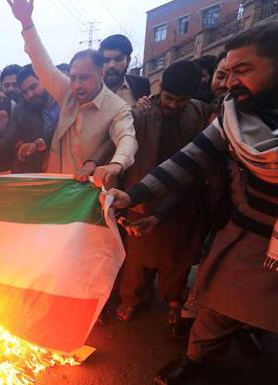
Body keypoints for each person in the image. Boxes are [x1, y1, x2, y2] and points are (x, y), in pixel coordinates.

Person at [106, 20, 278, 385]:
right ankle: (194, 358)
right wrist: (134, 195)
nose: (230, 82)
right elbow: (188, 160)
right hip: (250, 233)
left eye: (243, 70)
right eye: (228, 72)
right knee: (217, 303)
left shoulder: (204, 112)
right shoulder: (232, 115)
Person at [115, 61, 212, 329]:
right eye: (169, 98)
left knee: (175, 258)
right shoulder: (141, 111)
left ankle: (173, 300)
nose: (173, 105)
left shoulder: (201, 113)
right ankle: (132, 298)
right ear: (160, 88)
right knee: (136, 258)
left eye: (181, 101)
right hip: (141, 193)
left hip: (183, 196)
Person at [7, 0, 137, 187]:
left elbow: (127, 137)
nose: (77, 85)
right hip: (57, 184)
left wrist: (117, 163)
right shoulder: (67, 91)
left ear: (101, 73)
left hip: (89, 190)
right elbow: (43, 66)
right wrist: (27, 24)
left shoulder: (117, 107)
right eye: (73, 77)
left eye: (84, 78)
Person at [0, 64, 57, 172]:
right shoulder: (21, 109)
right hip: (34, 174)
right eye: (25, 92)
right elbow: (10, 136)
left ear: (44, 80)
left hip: (65, 170)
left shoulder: (63, 103)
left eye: (33, 87)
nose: (30, 95)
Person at [99, 34, 150, 105]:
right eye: (106, 60)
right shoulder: (90, 88)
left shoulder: (141, 85)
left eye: (118, 59)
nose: (111, 65)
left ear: (128, 61)